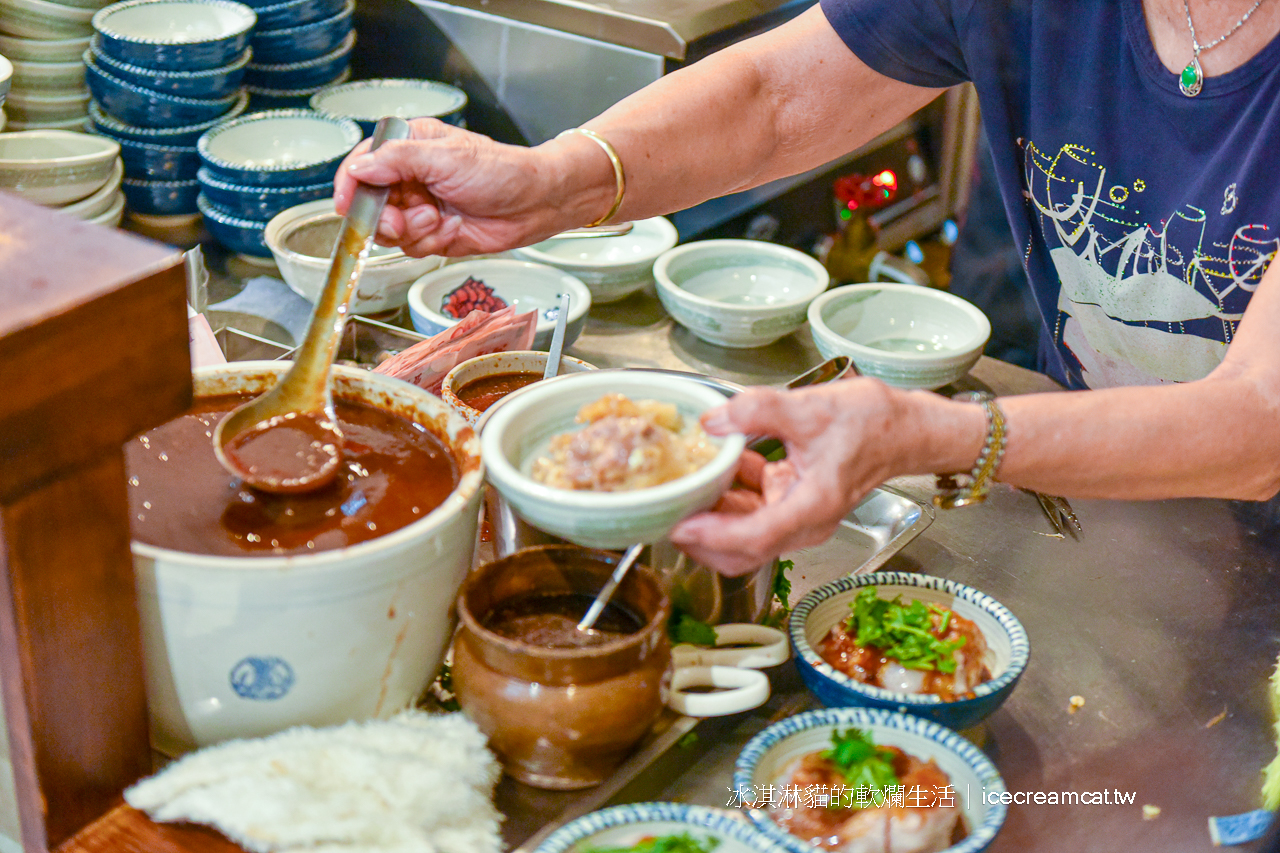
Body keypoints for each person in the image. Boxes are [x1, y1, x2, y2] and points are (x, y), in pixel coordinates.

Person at [334, 0, 1280, 576]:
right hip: (1127, 511)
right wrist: (550, 183)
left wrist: (932, 435)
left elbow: (1258, 421)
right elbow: (776, 97)